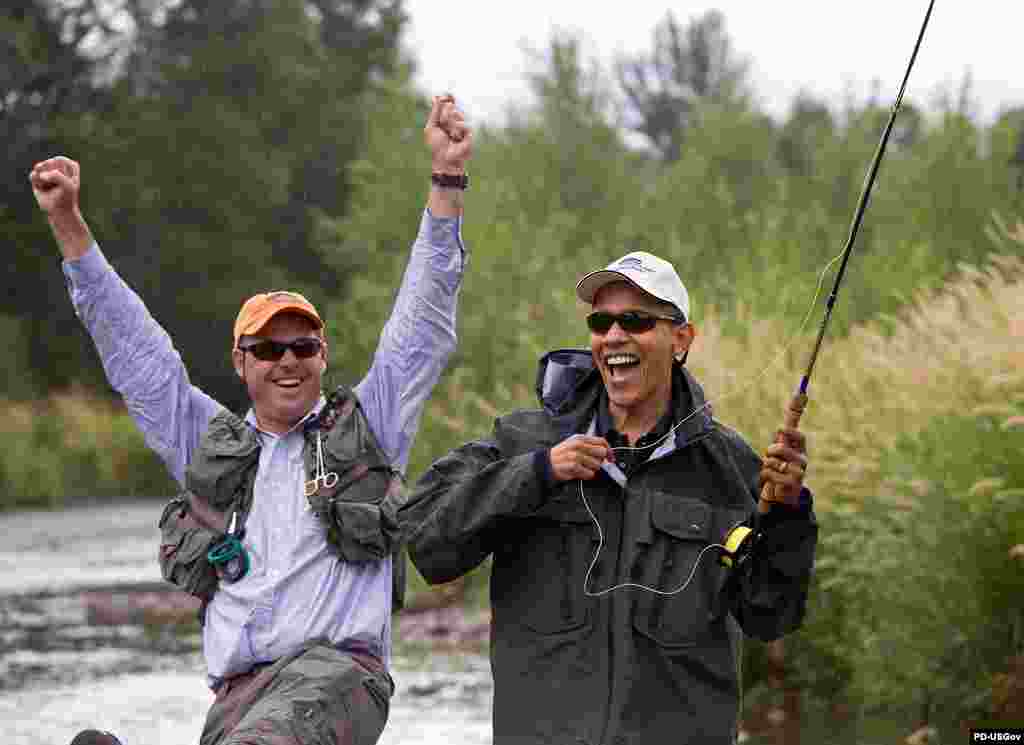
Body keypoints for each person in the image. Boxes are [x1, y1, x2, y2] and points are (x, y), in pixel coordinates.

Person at [31, 94, 472, 745]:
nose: (287, 361)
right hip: (238, 697)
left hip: (338, 678)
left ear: (322, 355)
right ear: (241, 361)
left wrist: (447, 180)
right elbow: (135, 354)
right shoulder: (205, 441)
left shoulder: (371, 425)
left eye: (303, 346)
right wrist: (68, 222)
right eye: (268, 348)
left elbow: (422, 322)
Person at [401, 251, 818, 745]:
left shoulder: (731, 469)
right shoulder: (526, 442)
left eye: (636, 320)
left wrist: (789, 513)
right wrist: (538, 472)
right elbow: (427, 539)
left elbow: (769, 616)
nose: (614, 336)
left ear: (681, 339)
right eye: (601, 322)